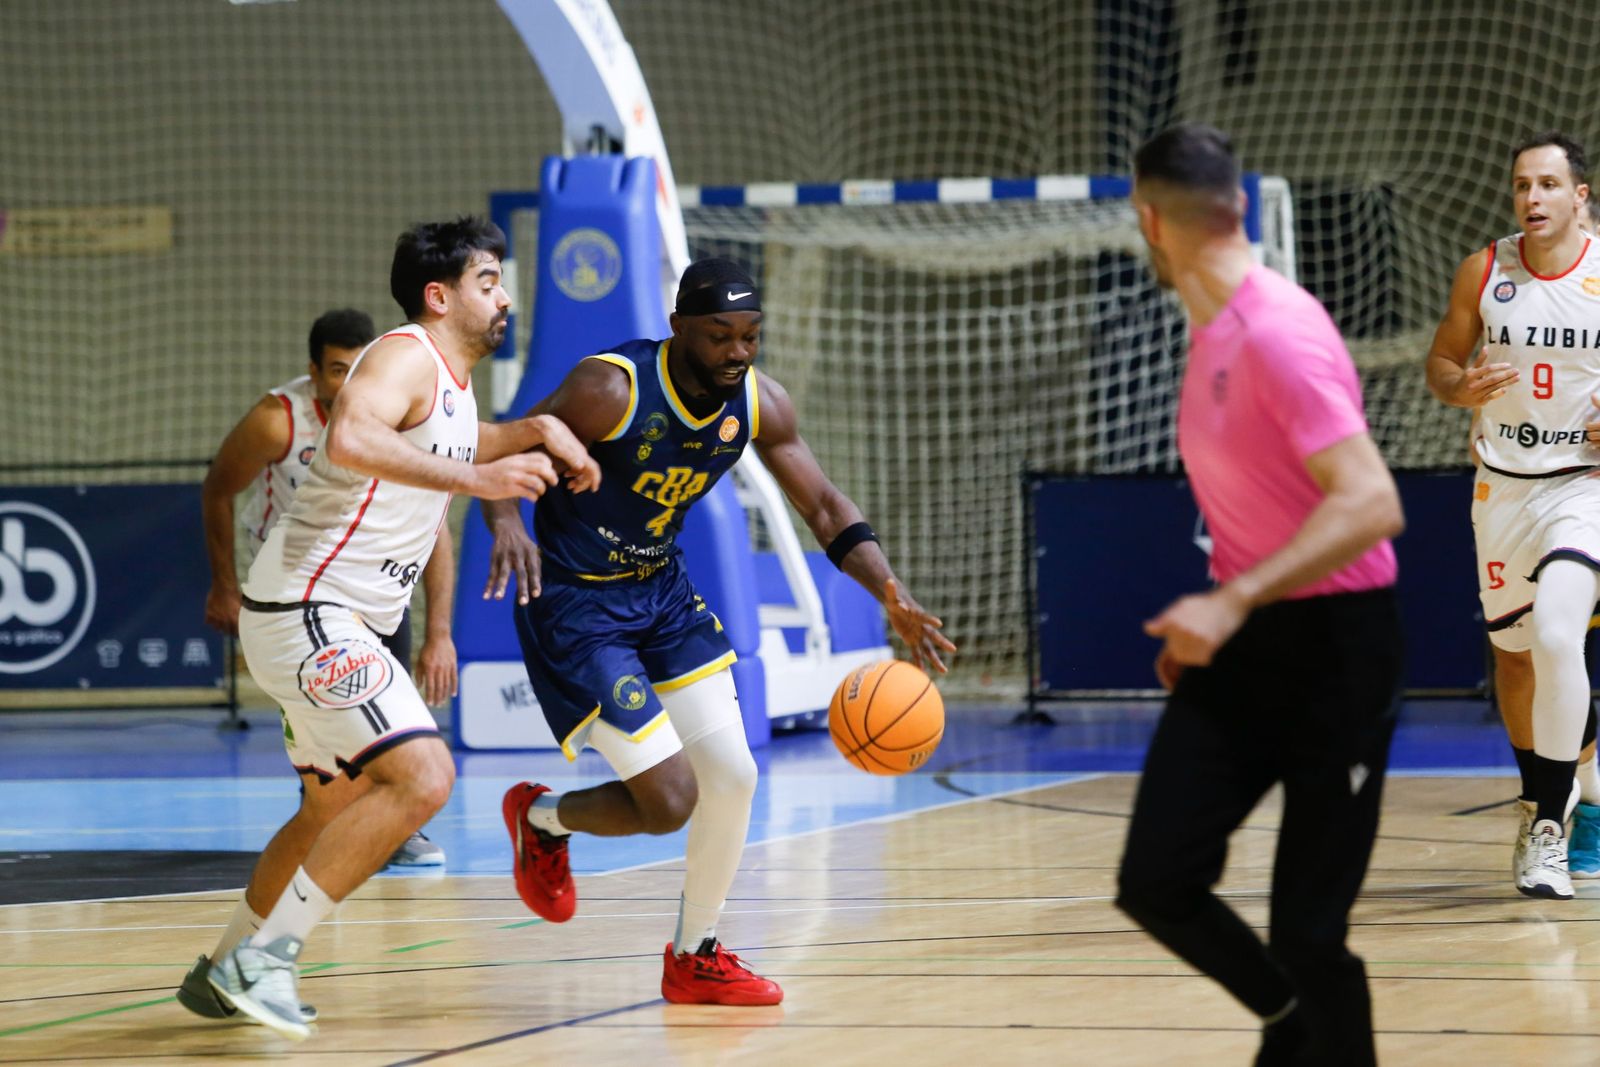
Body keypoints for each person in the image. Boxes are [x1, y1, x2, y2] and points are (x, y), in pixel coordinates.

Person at [482, 257, 956, 1006]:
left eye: (750, 335)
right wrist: (508, 521)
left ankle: (694, 954)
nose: (738, 350)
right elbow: (508, 446)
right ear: (679, 330)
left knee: (733, 777)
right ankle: (541, 817)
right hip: (576, 603)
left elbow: (826, 507)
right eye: (720, 335)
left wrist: (888, 590)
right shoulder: (611, 388)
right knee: (670, 801)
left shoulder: (760, 403)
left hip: (662, 592)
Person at [179, 216, 599, 1040]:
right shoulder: (404, 353)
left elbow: (453, 437)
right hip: (313, 611)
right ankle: (266, 958)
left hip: (329, 617)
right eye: (488, 281)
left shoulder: (447, 382)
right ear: (440, 295)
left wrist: (540, 430)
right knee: (425, 777)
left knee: (326, 810)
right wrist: (481, 477)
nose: (504, 296)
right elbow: (352, 433)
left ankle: (223, 966)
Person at [1112, 124, 1405, 1067]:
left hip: (1339, 653)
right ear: (1237, 206)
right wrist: (1222, 615)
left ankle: (1308, 1036)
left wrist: (1229, 602)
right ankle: (1291, 1030)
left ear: (1148, 219)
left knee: (1309, 933)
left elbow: (1372, 502)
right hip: (1246, 646)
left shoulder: (1278, 333)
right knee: (1157, 878)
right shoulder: (1210, 335)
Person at [197, 308, 452, 871]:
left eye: (360, 367)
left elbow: (433, 528)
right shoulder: (278, 421)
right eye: (337, 370)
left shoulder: (398, 414)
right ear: (313, 373)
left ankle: (394, 822)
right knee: (319, 715)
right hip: (294, 589)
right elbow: (217, 488)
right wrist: (223, 583)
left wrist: (439, 631)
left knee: (389, 707)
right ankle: (322, 813)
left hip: (371, 581)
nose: (350, 382)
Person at [1425, 130, 1600, 899]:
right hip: (1503, 486)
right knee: (1519, 658)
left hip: (1584, 484)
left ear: (1579, 195)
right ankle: (1550, 796)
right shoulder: (1484, 269)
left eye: (1548, 185)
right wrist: (1458, 388)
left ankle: (1552, 831)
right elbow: (1441, 361)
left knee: (1562, 630)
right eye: (1522, 185)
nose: (1532, 198)